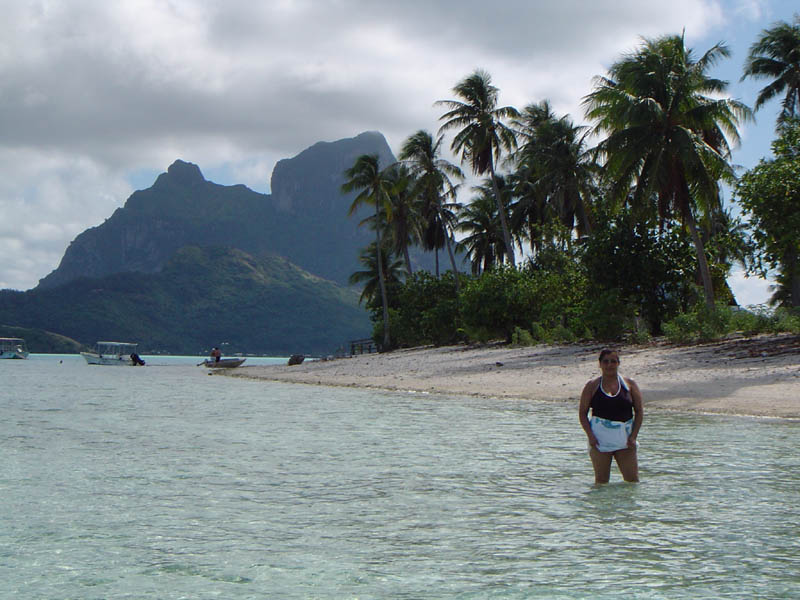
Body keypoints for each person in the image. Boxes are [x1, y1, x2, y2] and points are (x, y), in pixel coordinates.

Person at [579, 348, 643, 484]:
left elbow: (639, 411)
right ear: (600, 364)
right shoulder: (592, 386)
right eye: (605, 361)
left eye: (613, 361)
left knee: (632, 481)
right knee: (601, 483)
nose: (609, 365)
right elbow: (582, 413)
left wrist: (633, 437)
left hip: (625, 439)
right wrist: (590, 436)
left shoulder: (629, 384)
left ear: (618, 363)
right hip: (600, 439)